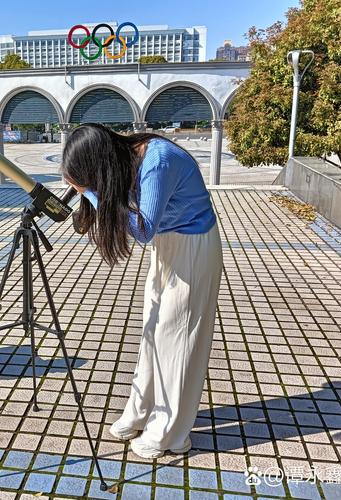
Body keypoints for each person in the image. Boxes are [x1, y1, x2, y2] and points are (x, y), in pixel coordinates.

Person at [61, 123, 223, 459]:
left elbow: (144, 229)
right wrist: (89, 191)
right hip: (169, 245)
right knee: (153, 332)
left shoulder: (156, 162)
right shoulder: (128, 159)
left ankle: (170, 434)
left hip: (194, 246)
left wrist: (90, 193)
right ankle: (139, 411)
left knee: (176, 340)